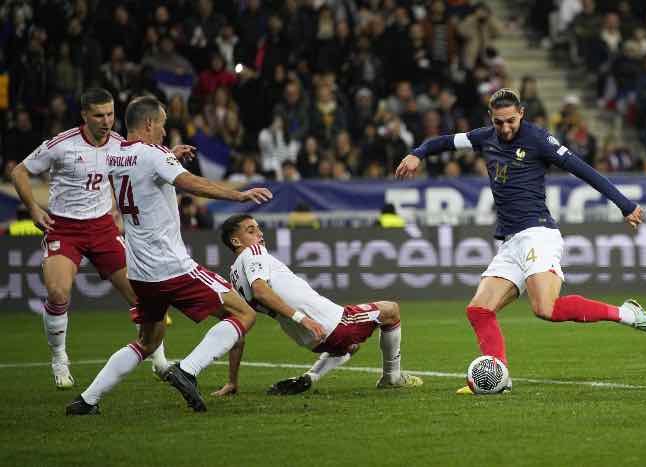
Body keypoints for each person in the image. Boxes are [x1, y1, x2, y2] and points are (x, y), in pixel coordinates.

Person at [395, 88, 646, 395]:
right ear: (491, 119)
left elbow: (584, 170)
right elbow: (443, 142)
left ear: (521, 113)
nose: (506, 128)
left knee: (545, 308)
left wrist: (624, 204)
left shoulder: (539, 140)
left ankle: (627, 313)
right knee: (479, 310)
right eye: (499, 123)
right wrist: (416, 153)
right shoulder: (484, 137)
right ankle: (499, 377)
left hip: (539, 234)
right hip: (511, 241)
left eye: (511, 121)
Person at [65, 96, 273, 415]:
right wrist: (238, 194)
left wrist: (169, 157)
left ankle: (86, 400)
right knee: (244, 314)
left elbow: (144, 168)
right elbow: (189, 183)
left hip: (140, 272)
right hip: (172, 266)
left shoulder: (115, 156)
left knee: (148, 342)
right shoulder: (155, 155)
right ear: (148, 124)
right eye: (162, 123)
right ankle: (187, 370)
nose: (164, 131)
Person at [10, 88, 178, 389]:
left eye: (111, 114)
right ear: (84, 116)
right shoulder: (62, 145)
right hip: (64, 228)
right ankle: (60, 358)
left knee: (145, 297)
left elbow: (142, 165)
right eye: (99, 115)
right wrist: (33, 208)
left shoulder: (119, 144)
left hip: (102, 228)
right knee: (58, 294)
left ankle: (159, 360)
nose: (107, 121)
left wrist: (170, 158)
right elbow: (19, 172)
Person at [211, 214, 423, 397]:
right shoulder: (254, 252)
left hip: (308, 339)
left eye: (258, 228)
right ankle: (392, 377)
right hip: (328, 322)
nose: (259, 233)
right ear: (236, 241)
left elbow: (238, 326)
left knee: (349, 347)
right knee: (391, 311)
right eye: (251, 230)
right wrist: (302, 318)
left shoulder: (234, 278)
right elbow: (260, 290)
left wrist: (232, 380)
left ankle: (310, 377)